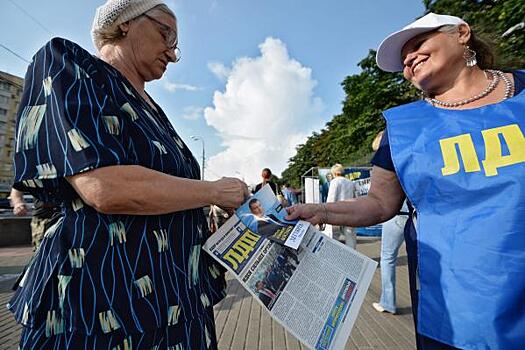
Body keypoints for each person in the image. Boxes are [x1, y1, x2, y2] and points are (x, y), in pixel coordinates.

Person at [8, 1, 249, 349]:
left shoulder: (155, 112)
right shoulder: (70, 64)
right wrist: (212, 192)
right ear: (124, 22)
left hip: (178, 303)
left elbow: (173, 198)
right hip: (104, 306)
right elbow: (103, 187)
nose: (173, 53)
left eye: (176, 44)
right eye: (166, 33)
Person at [287, 12, 525, 349]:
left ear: (462, 33)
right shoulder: (403, 128)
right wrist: (320, 212)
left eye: (418, 43)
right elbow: (379, 203)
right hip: (461, 315)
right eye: (403, 58)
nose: (410, 58)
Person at [326, 164, 357, 248]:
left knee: (334, 236)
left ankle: (336, 257)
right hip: (350, 212)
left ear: (334, 173)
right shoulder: (351, 182)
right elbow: (355, 197)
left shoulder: (334, 182)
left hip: (336, 212)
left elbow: (331, 199)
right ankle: (353, 256)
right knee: (350, 235)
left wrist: (326, 211)